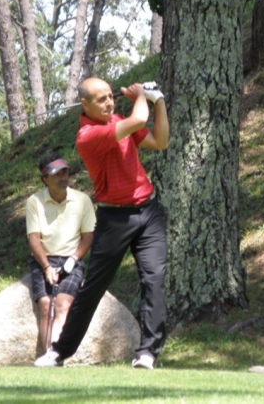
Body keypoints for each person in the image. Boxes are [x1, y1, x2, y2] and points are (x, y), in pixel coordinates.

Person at [35, 77, 169, 369]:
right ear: (85, 104)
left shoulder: (119, 120)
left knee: (154, 279)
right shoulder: (88, 136)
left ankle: (147, 352)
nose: (109, 103)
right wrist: (140, 95)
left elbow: (160, 141)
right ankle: (59, 352)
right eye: (101, 99)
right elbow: (138, 118)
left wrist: (158, 100)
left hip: (149, 212)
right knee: (93, 287)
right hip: (114, 218)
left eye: (111, 96)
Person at [27, 152, 95, 354]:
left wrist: (74, 259)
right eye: (57, 174)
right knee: (47, 305)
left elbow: (88, 236)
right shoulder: (34, 201)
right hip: (43, 261)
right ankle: (49, 352)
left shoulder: (82, 200)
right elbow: (33, 238)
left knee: (63, 303)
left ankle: (55, 355)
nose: (64, 177)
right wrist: (46, 266)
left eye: (65, 172)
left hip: (72, 259)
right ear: (45, 179)